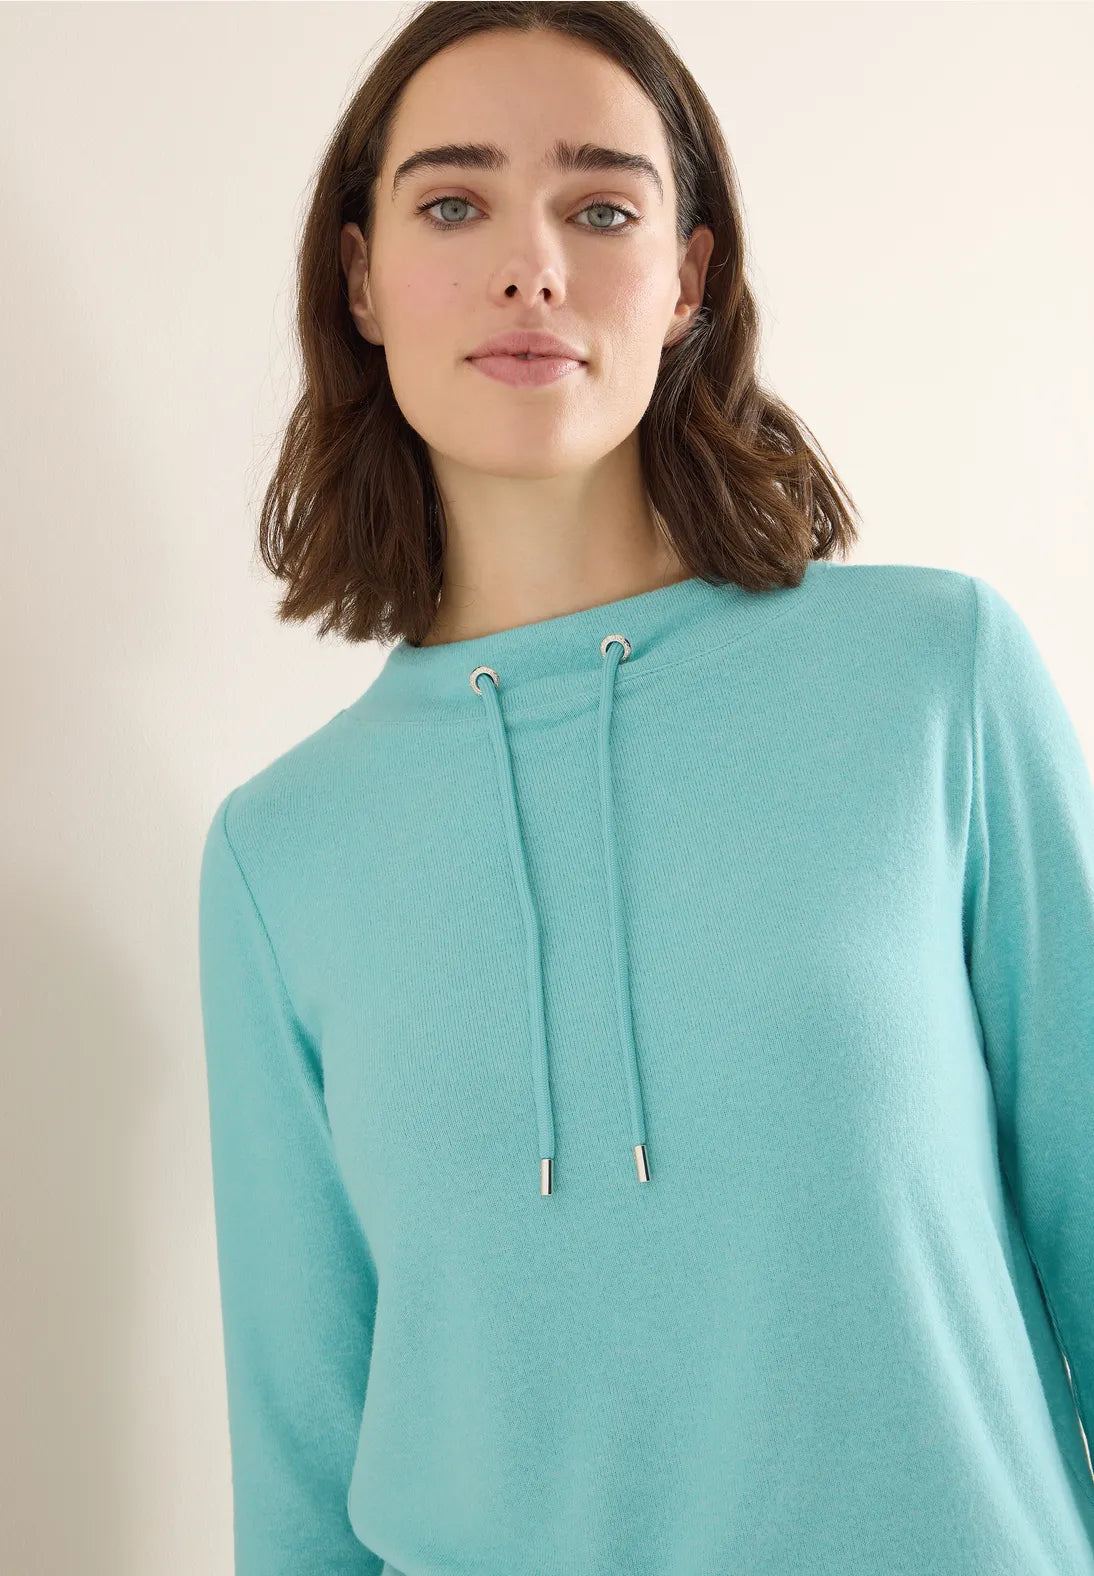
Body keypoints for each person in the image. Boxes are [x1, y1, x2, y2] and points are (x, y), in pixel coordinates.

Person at [196, 3, 1094, 1573]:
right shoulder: (282, 853)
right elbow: (301, 1456)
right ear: (359, 278)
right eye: (452, 202)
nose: (529, 266)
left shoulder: (929, 678)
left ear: (688, 277)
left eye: (600, 209)